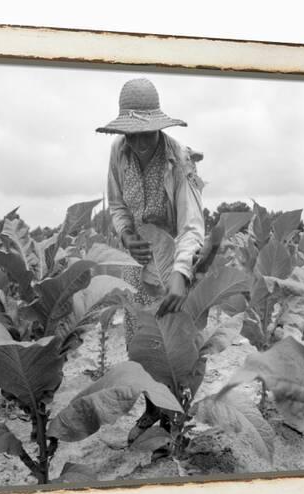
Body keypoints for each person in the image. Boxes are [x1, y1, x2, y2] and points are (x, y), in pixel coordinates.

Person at [96, 77, 205, 347]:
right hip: (137, 261)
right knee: (140, 336)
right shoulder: (118, 151)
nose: (139, 142)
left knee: (173, 341)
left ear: (159, 126)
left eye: (146, 132)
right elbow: (118, 203)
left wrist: (180, 274)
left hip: (175, 261)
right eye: (131, 134)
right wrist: (126, 236)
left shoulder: (178, 159)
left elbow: (191, 225)